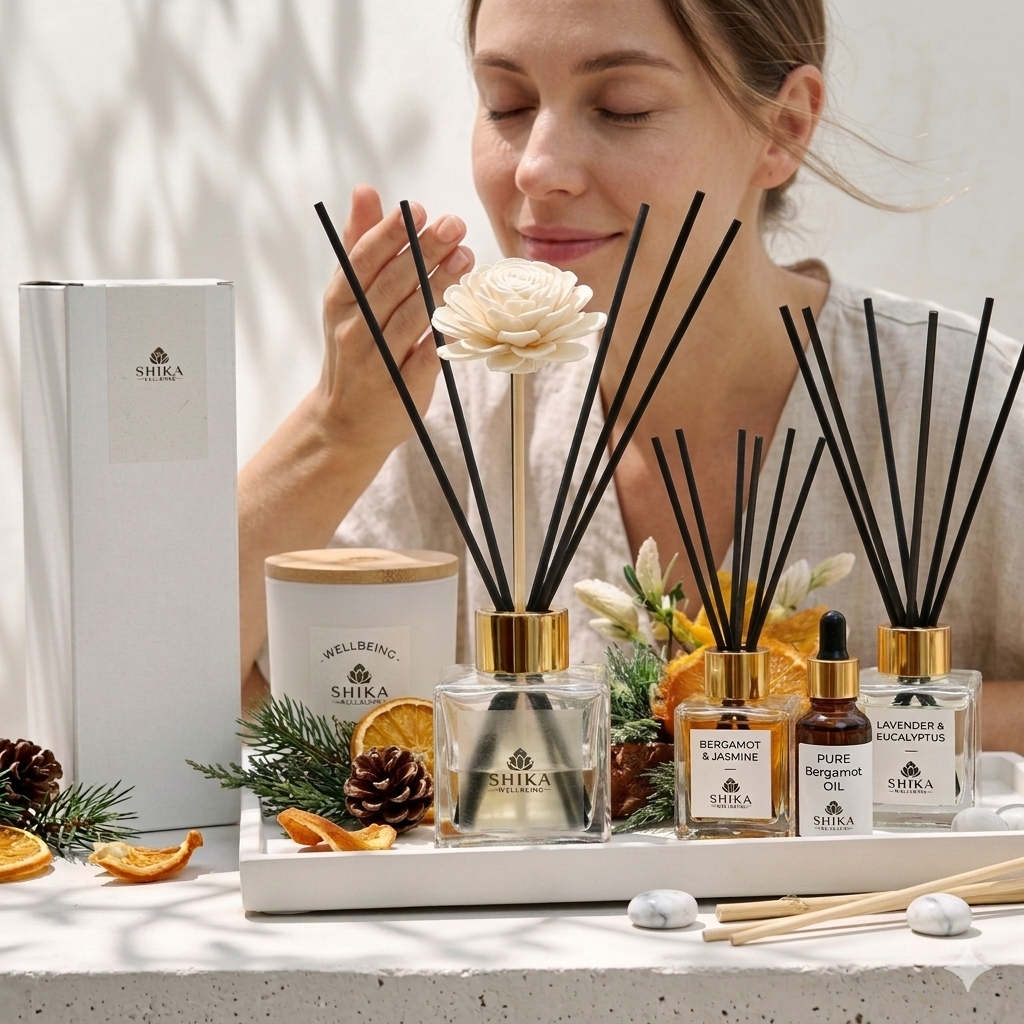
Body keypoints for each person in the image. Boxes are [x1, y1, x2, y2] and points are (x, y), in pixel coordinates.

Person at [239, 0, 1024, 753]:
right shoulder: (445, 417)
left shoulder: (962, 408)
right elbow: (179, 696)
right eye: (506, 103)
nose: (537, 170)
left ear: (783, 127)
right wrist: (334, 432)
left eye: (621, 106)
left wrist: (827, 721)